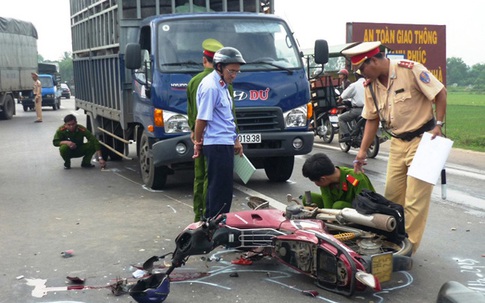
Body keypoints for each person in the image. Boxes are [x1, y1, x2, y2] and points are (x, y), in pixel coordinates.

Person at [342, 41, 447, 254]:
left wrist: (439, 125)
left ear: (374, 60)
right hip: (398, 144)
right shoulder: (370, 85)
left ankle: (407, 250)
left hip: (425, 141)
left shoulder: (410, 70)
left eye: (363, 68)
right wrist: (361, 153)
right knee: (392, 197)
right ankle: (393, 240)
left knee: (415, 200)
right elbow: (371, 119)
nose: (362, 74)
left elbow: (440, 93)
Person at [193, 47, 245, 218]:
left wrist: (235, 139)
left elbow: (226, 117)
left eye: (237, 71)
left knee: (223, 189)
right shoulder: (211, 87)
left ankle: (215, 224)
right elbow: (202, 119)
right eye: (231, 71)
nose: (234, 75)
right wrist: (198, 142)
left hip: (224, 142)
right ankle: (214, 227)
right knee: (219, 190)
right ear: (219, 67)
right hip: (216, 144)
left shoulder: (223, 86)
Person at [187, 38, 224, 222]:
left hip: (199, 136)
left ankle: (198, 216)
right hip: (216, 140)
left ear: (204, 60)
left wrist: (195, 134)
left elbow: (191, 113)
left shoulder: (194, 82)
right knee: (214, 179)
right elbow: (229, 113)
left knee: (199, 177)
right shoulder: (222, 82)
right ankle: (211, 218)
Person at [301, 153, 375, 209]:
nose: (316, 184)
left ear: (323, 179)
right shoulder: (326, 181)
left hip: (359, 209)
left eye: (315, 182)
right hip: (335, 208)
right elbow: (327, 201)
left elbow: (366, 204)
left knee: (338, 205)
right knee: (308, 198)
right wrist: (327, 217)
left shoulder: (355, 178)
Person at [338, 70, 365, 142]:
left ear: (356, 76)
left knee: (341, 118)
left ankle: (346, 135)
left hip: (358, 110)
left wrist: (339, 101)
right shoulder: (370, 83)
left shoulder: (354, 85)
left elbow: (343, 95)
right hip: (369, 109)